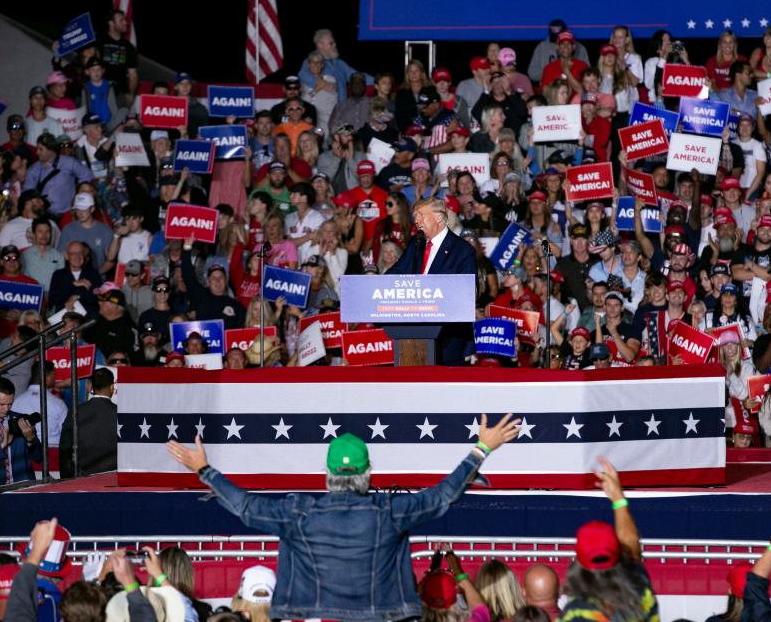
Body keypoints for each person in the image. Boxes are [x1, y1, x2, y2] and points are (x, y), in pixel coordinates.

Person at [166, 413, 521, 622]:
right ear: (368, 473)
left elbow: (244, 506)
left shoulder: (298, 513)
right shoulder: (389, 512)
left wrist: (204, 469)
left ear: (327, 474)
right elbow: (444, 494)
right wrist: (481, 449)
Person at [559, 457, 658, 621]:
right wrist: (618, 499)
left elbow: (632, 552)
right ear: (619, 556)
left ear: (578, 564)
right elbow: (632, 551)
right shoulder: (641, 592)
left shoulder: (576, 612)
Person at [387, 198, 478, 365]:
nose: (416, 220)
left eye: (421, 215)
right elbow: (396, 273)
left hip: (449, 339)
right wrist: (374, 286)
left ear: (438, 217)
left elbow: (468, 293)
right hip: (413, 335)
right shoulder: (416, 243)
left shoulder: (463, 250)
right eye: (415, 216)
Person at [23, 134, 95, 216]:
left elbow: (87, 176)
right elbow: (28, 194)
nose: (37, 152)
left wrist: (78, 195)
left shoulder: (69, 162)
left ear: (51, 150)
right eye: (37, 148)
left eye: (41, 149)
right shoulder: (33, 170)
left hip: (69, 213)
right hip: (45, 215)